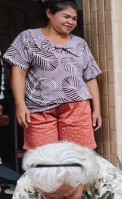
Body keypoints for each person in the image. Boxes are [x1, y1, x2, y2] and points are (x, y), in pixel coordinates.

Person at [3, 0, 102, 150]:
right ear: (49, 13)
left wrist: (97, 110)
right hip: (39, 110)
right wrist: (20, 104)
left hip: (77, 108)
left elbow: (90, 78)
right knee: (42, 160)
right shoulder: (28, 37)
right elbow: (19, 72)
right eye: (66, 17)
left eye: (74, 19)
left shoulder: (80, 44)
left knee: (78, 158)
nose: (71, 22)